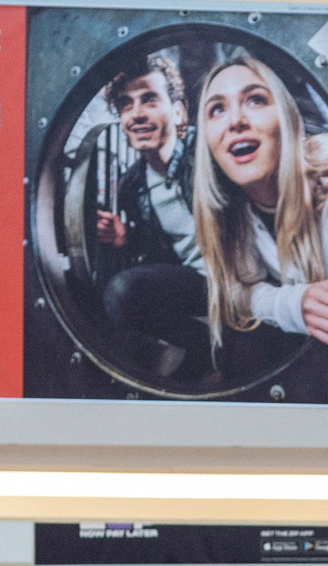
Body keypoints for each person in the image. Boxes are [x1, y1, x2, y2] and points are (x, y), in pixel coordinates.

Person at [191, 49, 328, 354]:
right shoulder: (223, 210)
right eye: (217, 109)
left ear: (286, 116)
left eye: (256, 100)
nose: (236, 121)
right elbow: (233, 292)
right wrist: (293, 304)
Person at [93, 53, 211, 363]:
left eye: (150, 100)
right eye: (126, 105)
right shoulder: (132, 184)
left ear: (178, 113)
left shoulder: (209, 154)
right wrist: (125, 239)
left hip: (244, 278)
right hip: (200, 284)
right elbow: (160, 254)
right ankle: (207, 347)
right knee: (121, 293)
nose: (137, 114)